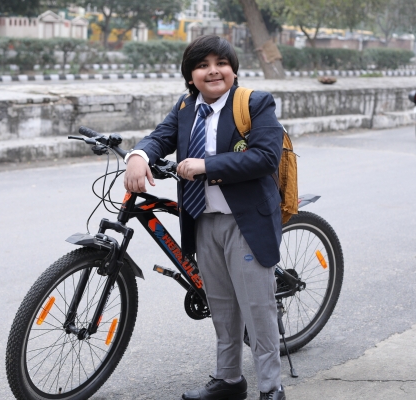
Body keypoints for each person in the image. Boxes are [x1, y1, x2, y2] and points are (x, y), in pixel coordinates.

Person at [123, 35, 286, 400]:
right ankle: (229, 381)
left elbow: (265, 157)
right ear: (191, 75)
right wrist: (137, 156)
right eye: (202, 65)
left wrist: (206, 166)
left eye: (221, 63)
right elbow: (160, 137)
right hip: (203, 221)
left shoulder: (255, 103)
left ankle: (271, 388)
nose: (213, 71)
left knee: (258, 311)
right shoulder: (186, 106)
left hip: (245, 221)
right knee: (223, 308)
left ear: (233, 69)